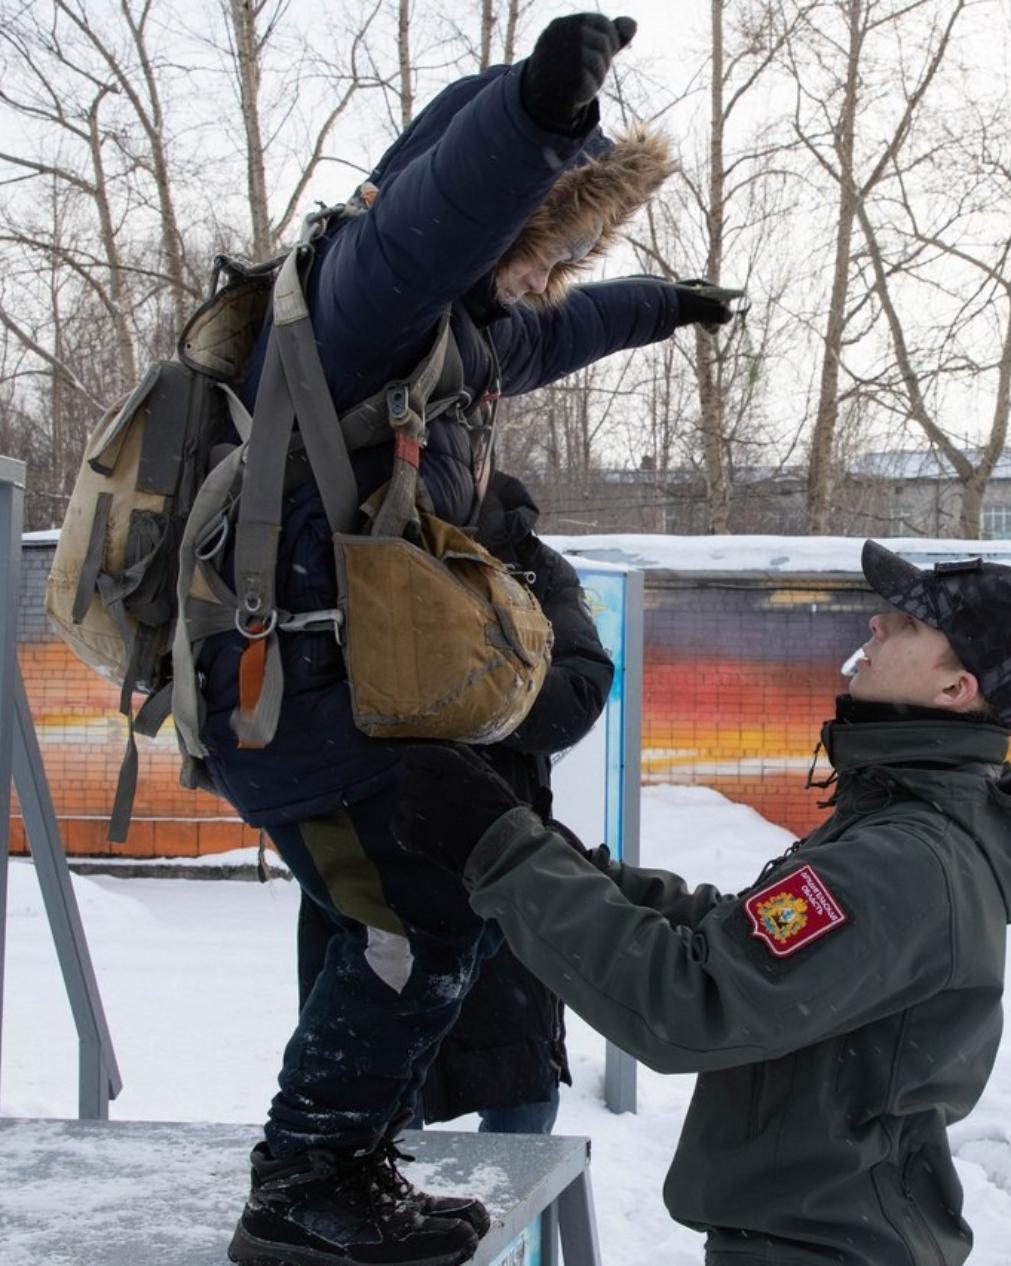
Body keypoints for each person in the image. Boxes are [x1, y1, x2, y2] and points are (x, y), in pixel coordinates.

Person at [207, 16, 745, 1266]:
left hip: (339, 701)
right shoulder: (365, 295)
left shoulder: (451, 336)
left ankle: (338, 1169)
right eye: (549, 244)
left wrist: (659, 305)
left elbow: (549, 334)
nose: (548, 275)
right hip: (298, 699)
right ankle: (301, 1188)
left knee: (403, 928)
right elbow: (425, 219)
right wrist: (535, 118)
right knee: (423, 927)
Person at [390, 541, 1011, 1266]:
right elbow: (745, 935)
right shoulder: (908, 823)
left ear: (955, 689)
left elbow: (695, 1002)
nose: (877, 625)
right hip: (826, 1236)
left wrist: (503, 852)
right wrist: (558, 856)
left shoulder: (908, 861)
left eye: (908, 625)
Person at [295, 472, 608, 1137]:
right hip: (371, 863)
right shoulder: (340, 529)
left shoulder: (530, 563)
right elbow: (296, 702)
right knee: (367, 1094)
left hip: (498, 853)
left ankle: (503, 1241)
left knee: (520, 1105)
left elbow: (577, 696)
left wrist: (438, 697)